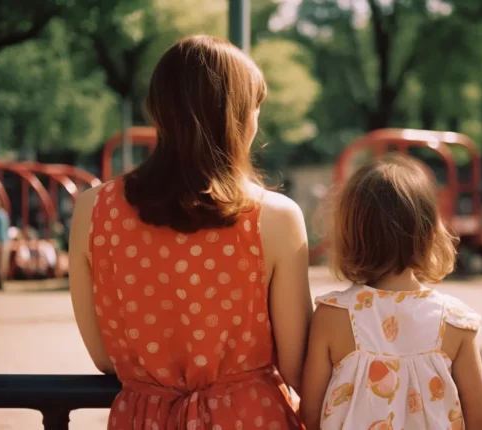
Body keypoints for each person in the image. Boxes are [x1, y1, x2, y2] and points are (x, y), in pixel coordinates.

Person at [69, 35, 312, 430]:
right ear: (237, 116)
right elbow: (295, 362)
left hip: (146, 418)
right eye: (255, 109)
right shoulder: (277, 217)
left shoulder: (93, 210)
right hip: (250, 419)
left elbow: (103, 357)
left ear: (158, 111)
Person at [299, 155, 482, 430]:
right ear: (429, 233)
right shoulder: (455, 320)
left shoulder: (333, 315)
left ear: (350, 235)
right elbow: (479, 414)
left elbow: (310, 412)